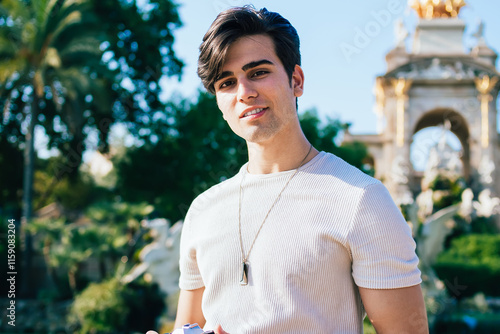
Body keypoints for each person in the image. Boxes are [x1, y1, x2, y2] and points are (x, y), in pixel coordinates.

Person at [149, 6, 428, 334]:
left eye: (258, 72)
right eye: (227, 82)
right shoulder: (203, 210)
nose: (244, 92)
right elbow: (190, 326)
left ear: (296, 81)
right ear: (219, 102)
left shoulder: (362, 200)